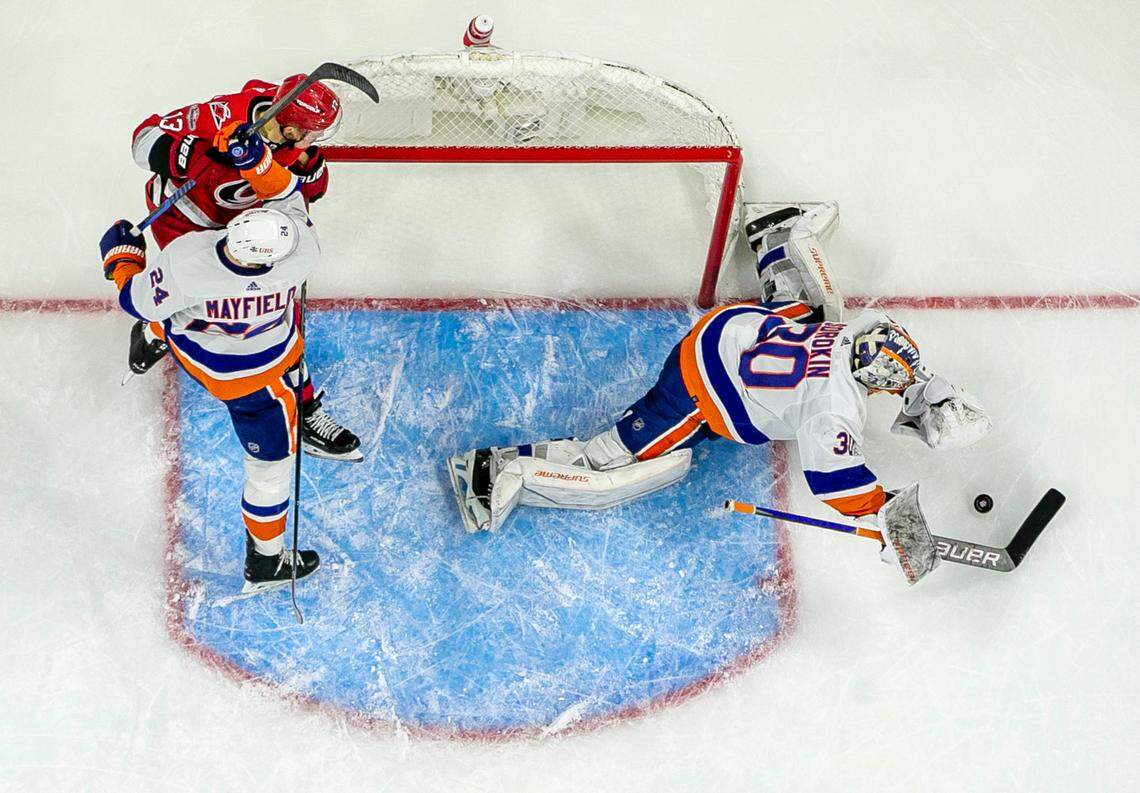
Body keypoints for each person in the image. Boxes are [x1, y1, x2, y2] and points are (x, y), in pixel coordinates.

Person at [446, 202, 992, 570]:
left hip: (735, 330)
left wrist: (927, 394)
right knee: (613, 464)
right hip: (701, 388)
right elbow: (834, 478)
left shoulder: (854, 334)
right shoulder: (833, 410)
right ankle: (493, 472)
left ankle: (775, 233)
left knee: (812, 311)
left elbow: (897, 370)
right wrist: (880, 509)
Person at [100, 122, 357, 592]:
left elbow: (136, 299)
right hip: (259, 378)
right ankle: (265, 563)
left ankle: (152, 341)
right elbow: (289, 194)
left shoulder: (188, 259)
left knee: (172, 313)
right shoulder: (301, 252)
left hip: (202, 359)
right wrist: (257, 163)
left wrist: (121, 258)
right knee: (270, 469)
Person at [124, 77, 338, 413]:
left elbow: (312, 189)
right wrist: (188, 156)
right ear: (290, 127)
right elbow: (144, 138)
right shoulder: (221, 116)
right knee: (194, 295)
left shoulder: (290, 130)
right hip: (183, 222)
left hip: (243, 228)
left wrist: (306, 170)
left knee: (272, 299)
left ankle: (302, 404)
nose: (315, 141)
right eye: (310, 133)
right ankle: (155, 330)